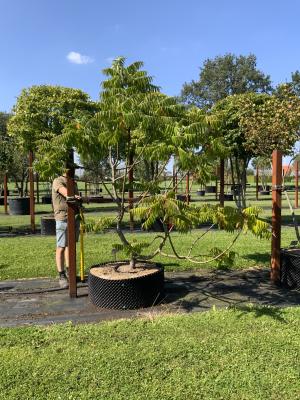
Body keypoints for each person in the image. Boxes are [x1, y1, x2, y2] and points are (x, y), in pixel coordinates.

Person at [52, 174, 81, 288]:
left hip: (74, 217)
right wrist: (76, 197)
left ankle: (71, 273)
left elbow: (76, 198)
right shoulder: (58, 181)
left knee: (71, 246)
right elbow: (67, 194)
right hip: (62, 218)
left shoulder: (73, 182)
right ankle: (61, 275)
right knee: (61, 246)